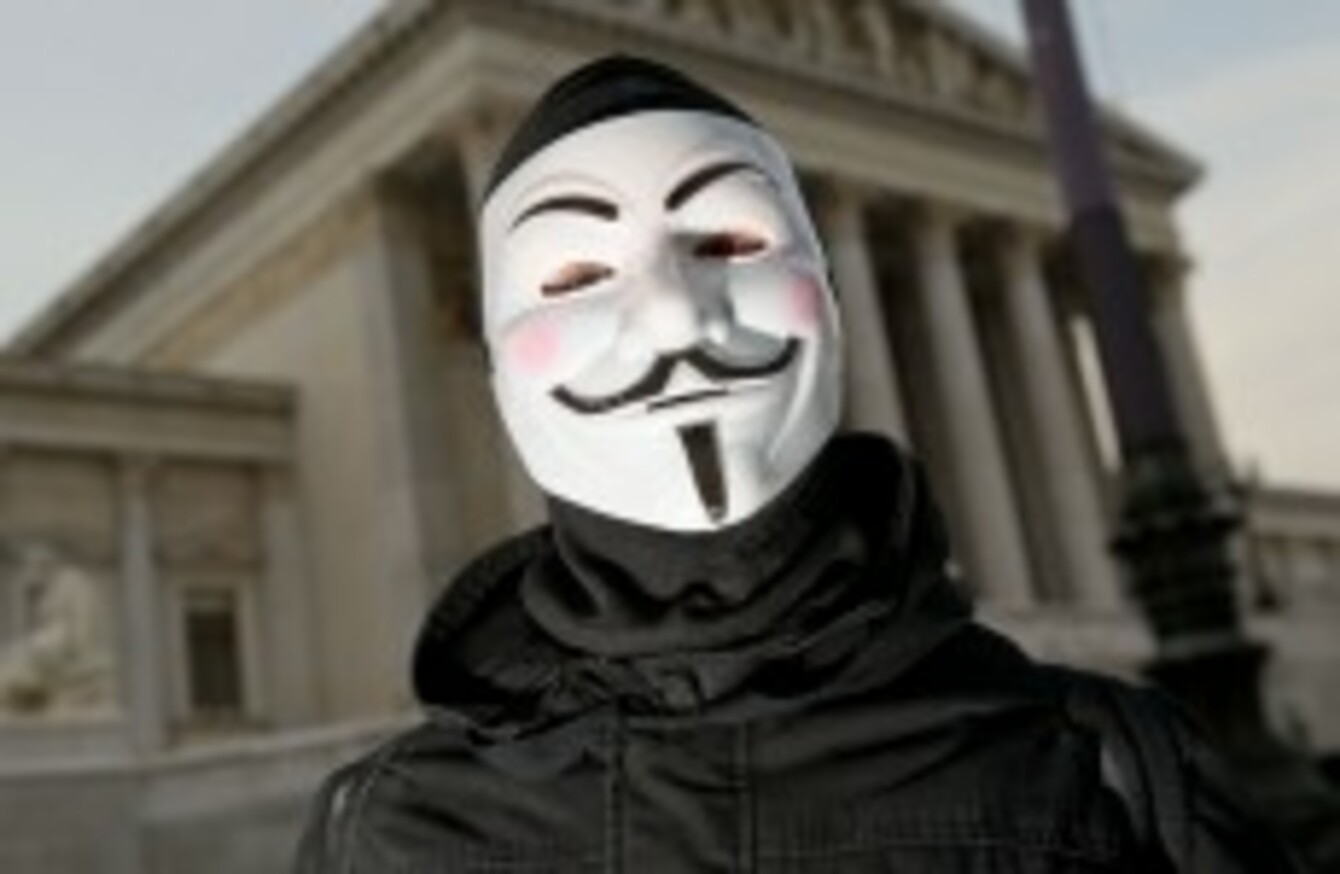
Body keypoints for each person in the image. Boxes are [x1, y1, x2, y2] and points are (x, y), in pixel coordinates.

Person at [295, 56, 1302, 873]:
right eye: (576, 273)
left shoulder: (1114, 775)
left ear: (830, 293)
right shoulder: (381, 831)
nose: (677, 316)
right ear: (492, 356)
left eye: (729, 241)